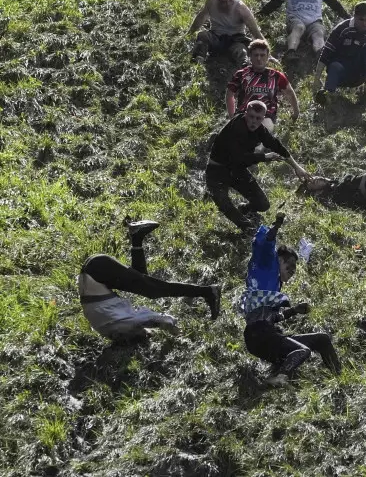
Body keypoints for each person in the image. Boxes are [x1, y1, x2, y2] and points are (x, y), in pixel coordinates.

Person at [78, 219, 221, 341]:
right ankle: (136, 236)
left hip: (97, 271)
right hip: (94, 272)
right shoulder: (109, 327)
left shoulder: (125, 326)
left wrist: (172, 329)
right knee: (142, 279)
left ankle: (208, 291)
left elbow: (159, 320)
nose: (146, 331)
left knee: (153, 290)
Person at [242, 214, 341, 385]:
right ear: (279, 259)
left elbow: (274, 318)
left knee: (322, 339)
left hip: (266, 335)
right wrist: (277, 225)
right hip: (258, 335)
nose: (293, 270)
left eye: (295, 267)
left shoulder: (273, 286)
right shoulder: (267, 265)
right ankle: (279, 376)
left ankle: (340, 378)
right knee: (302, 351)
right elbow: (267, 242)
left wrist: (294, 311)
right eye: (290, 265)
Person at [207, 100, 310, 231]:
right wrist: (264, 157)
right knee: (226, 206)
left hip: (236, 171)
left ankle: (244, 208)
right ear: (245, 114)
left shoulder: (259, 129)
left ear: (263, 118)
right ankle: (247, 227)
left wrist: (296, 167)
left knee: (263, 205)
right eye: (251, 117)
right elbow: (238, 158)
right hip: (217, 171)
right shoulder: (237, 127)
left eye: (258, 118)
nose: (254, 122)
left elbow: (276, 145)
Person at [187, 0, 264, 64]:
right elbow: (201, 17)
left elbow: (255, 32)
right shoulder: (211, 1)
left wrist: (266, 51)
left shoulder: (240, 8)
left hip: (235, 40)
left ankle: (246, 68)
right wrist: (189, 33)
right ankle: (198, 61)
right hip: (216, 37)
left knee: (241, 51)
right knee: (202, 35)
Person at [313, 2, 366, 98]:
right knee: (335, 66)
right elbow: (326, 53)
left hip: (359, 74)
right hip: (341, 70)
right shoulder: (342, 29)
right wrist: (317, 78)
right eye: (361, 20)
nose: (364, 23)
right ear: (354, 16)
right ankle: (328, 94)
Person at [226, 40, 298, 127]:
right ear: (250, 57)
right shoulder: (241, 74)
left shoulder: (276, 76)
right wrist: (231, 117)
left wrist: (296, 113)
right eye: (256, 55)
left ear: (268, 57)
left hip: (267, 115)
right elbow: (229, 94)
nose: (259, 58)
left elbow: (289, 93)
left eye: (262, 55)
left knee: (263, 130)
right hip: (244, 114)